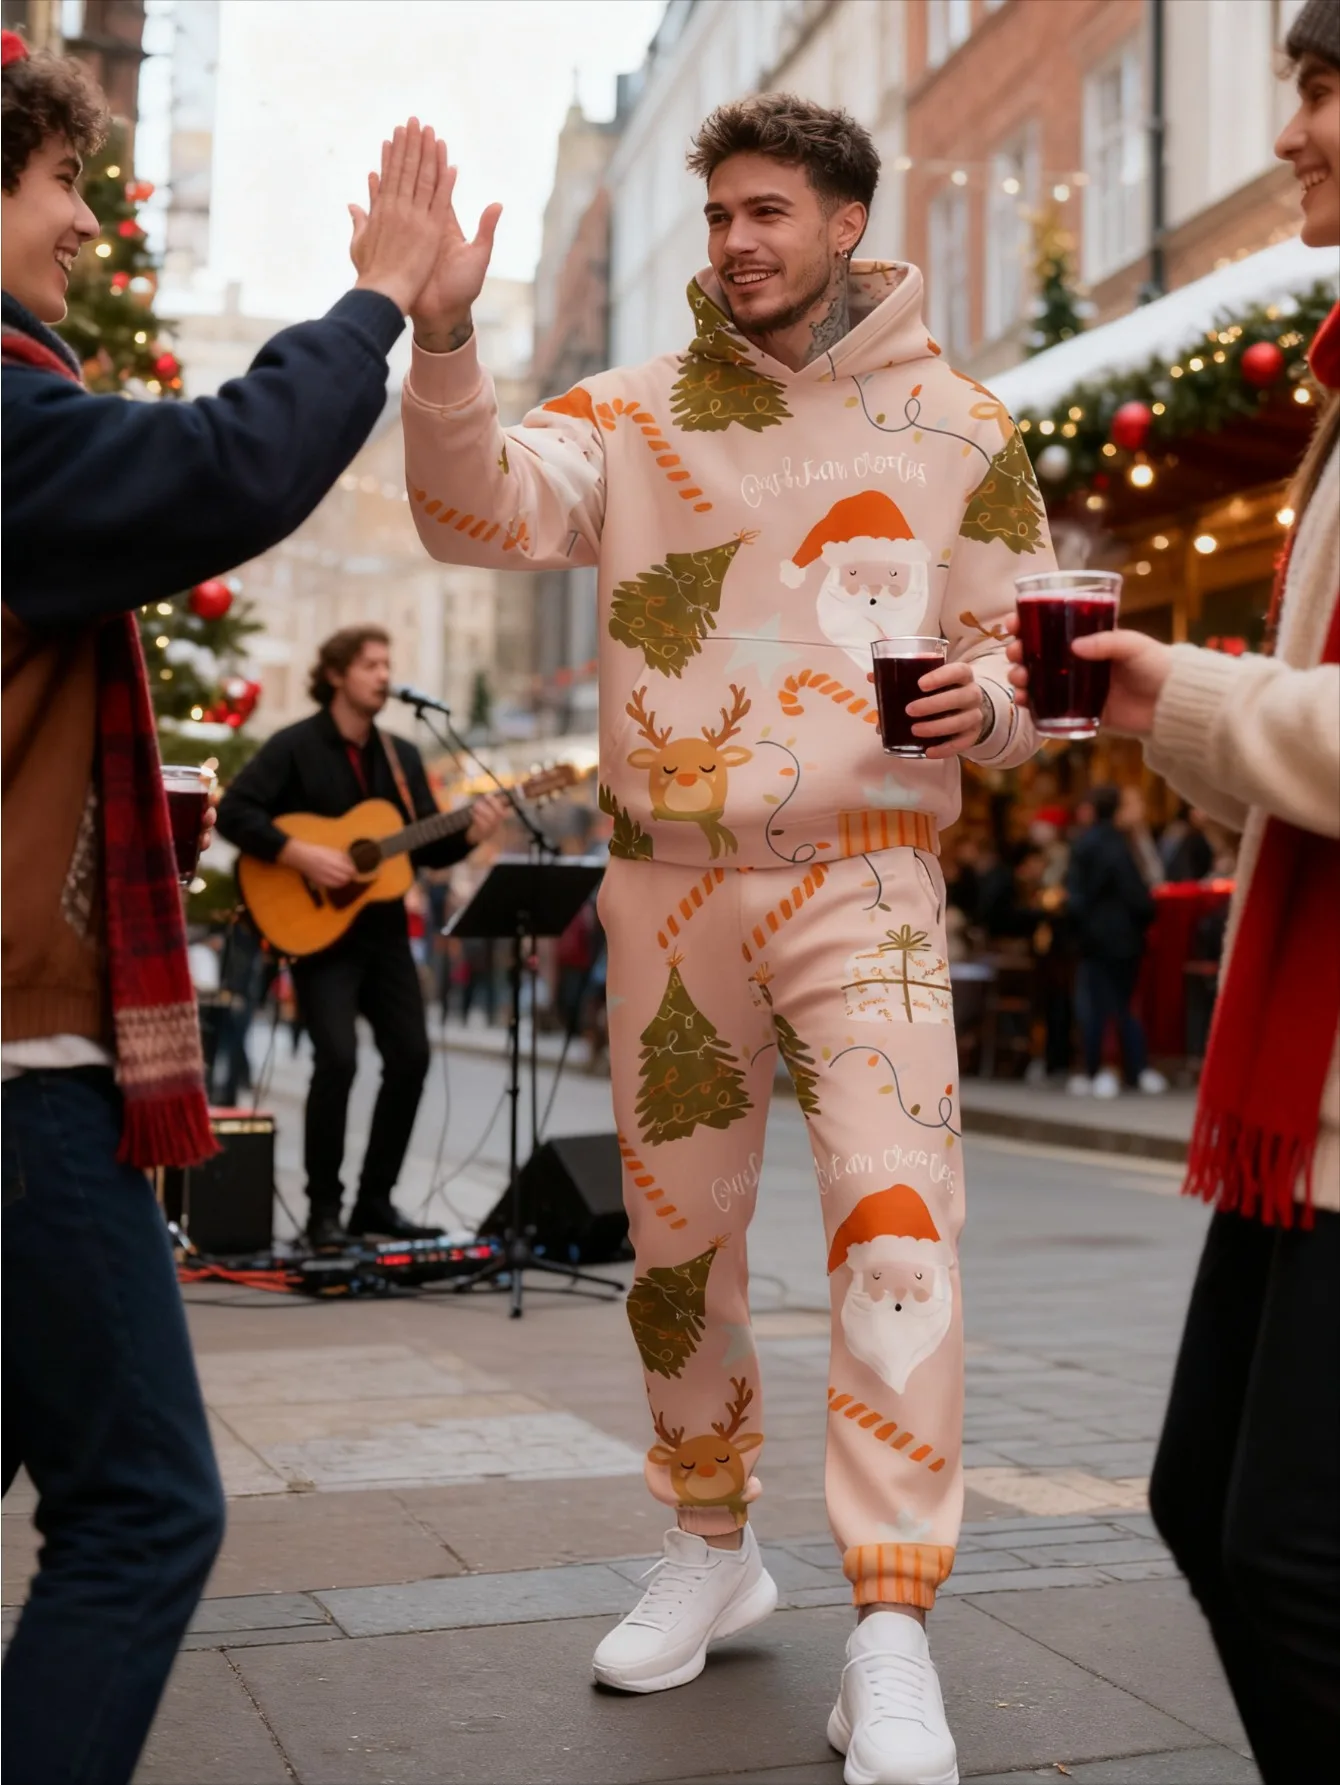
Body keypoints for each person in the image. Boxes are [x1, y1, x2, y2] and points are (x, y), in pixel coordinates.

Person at [401, 91, 1053, 1785]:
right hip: (667, 878)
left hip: (872, 873)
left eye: (769, 212)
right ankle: (710, 1541)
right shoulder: (627, 416)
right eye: (719, 218)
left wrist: (982, 702)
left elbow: (1034, 665)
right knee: (678, 1244)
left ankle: (891, 1622)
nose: (739, 243)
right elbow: (476, 516)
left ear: (847, 221)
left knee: (897, 1223)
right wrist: (452, 342)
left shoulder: (963, 425)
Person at [1, 30, 452, 1785]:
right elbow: (221, 471)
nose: (77, 227)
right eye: (53, 185)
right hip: (27, 1074)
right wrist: (374, 305)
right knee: (146, 1514)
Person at [1008, 7, 1340, 1774]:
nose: (1290, 131)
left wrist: (1183, 691)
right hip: (1312, 1082)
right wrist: (1164, 707)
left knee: (1282, 1546)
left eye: (1320, 87)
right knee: (1211, 1502)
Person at [216, 627, 505, 1249]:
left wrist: (475, 831)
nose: (383, 675)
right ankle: (324, 1211)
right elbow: (237, 812)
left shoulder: (401, 756)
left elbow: (427, 848)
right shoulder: (294, 746)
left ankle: (375, 1204)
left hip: (383, 936)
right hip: (321, 938)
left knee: (412, 1058)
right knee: (338, 1060)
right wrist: (300, 855)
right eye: (371, 664)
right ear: (338, 674)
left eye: (387, 664)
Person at [1064, 785, 1165, 1099]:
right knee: (1123, 1005)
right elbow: (1138, 895)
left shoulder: (1084, 844)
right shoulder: (1120, 846)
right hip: (1124, 939)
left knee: (1094, 1005)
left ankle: (1095, 1069)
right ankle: (1133, 1068)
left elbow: (1075, 896)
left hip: (1094, 939)